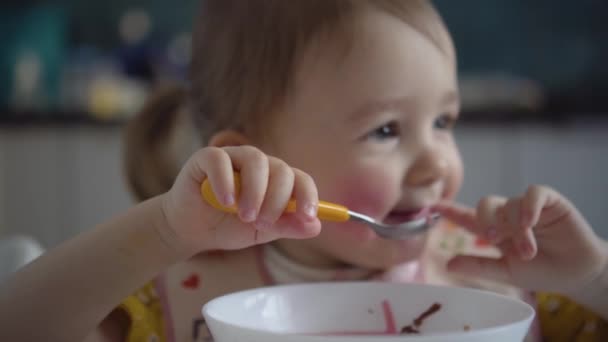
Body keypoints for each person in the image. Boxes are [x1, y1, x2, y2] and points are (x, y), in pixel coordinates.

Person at [1, 1, 607, 341]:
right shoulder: (181, 296)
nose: (437, 163)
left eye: (444, 122)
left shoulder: (501, 278)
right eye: (387, 130)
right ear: (252, 158)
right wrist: (164, 231)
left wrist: (592, 275)